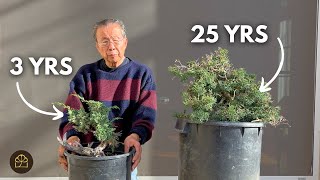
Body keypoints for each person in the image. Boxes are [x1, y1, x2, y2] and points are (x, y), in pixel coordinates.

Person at [57, 18, 157, 179]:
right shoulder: (85, 75)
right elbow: (72, 112)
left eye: (116, 40)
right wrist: (72, 137)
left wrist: (135, 136)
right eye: (104, 41)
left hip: (123, 157)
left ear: (125, 42)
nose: (111, 46)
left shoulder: (142, 74)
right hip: (88, 158)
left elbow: (146, 115)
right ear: (97, 46)